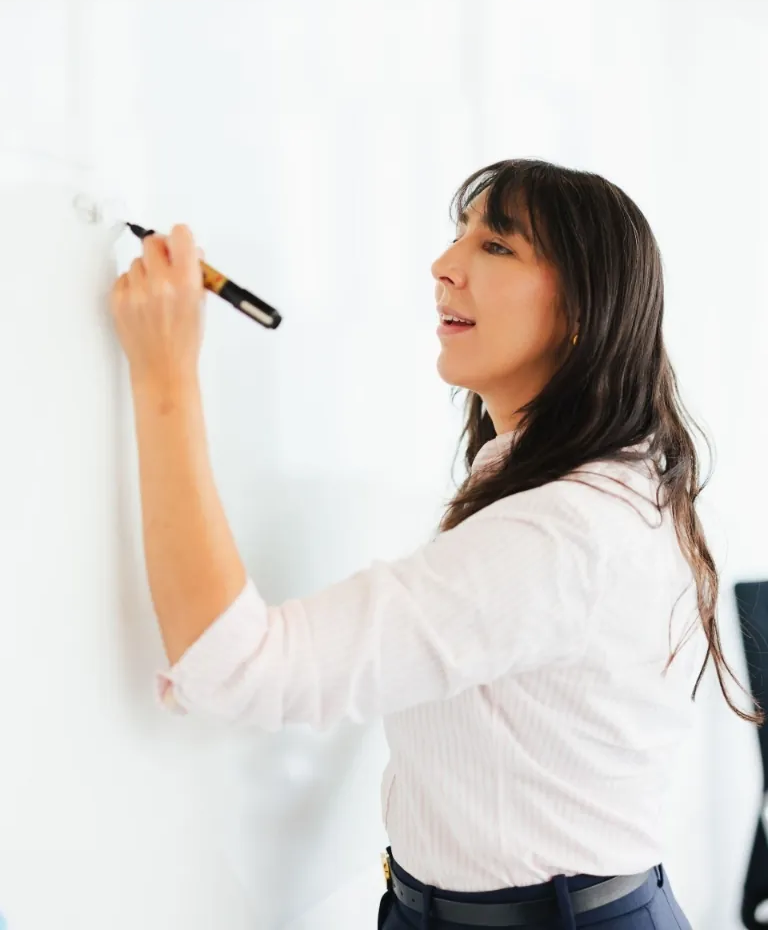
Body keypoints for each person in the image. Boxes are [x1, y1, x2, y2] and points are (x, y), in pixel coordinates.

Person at [109, 159, 761, 930]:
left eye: (497, 246)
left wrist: (163, 373)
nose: (444, 266)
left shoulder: (562, 531)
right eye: (460, 233)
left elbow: (241, 669)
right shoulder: (579, 479)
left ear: (583, 308)